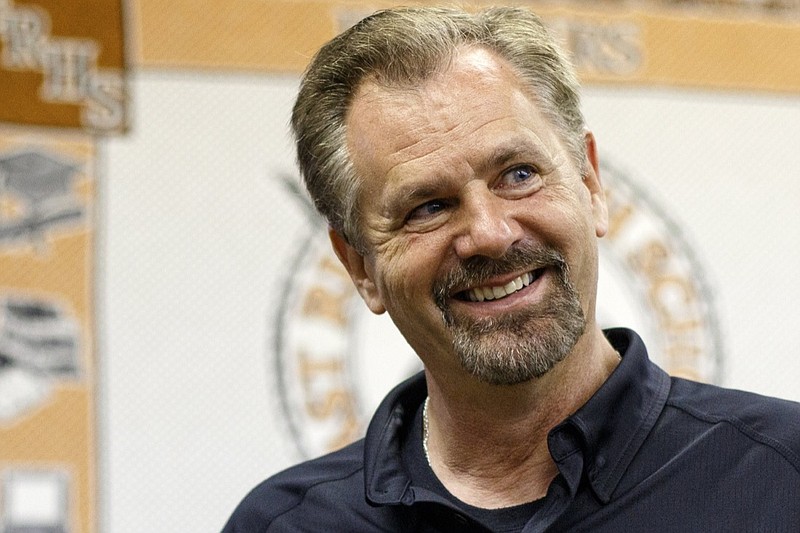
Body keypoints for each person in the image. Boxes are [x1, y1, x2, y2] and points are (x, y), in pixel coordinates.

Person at [224, 6, 800, 532]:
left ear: (590, 184)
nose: (491, 234)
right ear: (360, 267)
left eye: (519, 174)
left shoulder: (781, 478)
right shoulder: (286, 525)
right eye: (428, 207)